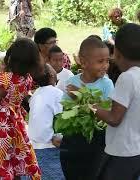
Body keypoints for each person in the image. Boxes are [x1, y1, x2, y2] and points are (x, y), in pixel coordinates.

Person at [0, 38, 41, 179]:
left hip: (1, 123)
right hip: (16, 120)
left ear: (10, 57)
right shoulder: (28, 78)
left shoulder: (5, 78)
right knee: (14, 154)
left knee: (1, 155)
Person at [60, 37, 114, 180]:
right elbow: (66, 109)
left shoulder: (107, 84)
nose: (105, 66)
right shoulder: (72, 81)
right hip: (74, 140)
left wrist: (81, 96)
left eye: (107, 61)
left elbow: (107, 111)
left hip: (97, 140)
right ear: (83, 62)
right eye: (100, 61)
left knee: (93, 173)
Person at [90, 23, 140, 180]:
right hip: (136, 150)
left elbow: (114, 118)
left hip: (121, 152)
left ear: (117, 53)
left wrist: (92, 107)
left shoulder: (127, 77)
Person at [28, 64, 65, 179]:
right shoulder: (57, 93)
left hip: (34, 146)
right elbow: (62, 118)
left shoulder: (36, 93)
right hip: (50, 144)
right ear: (51, 75)